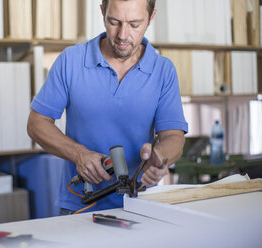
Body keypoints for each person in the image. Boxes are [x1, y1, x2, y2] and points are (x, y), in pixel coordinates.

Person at [27, 0, 188, 214]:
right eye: (114, 22)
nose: (122, 35)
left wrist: (159, 157)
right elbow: (37, 124)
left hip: (142, 206)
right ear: (102, 12)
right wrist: (79, 154)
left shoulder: (163, 70)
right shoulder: (71, 61)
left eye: (134, 24)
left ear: (151, 18)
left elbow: (174, 137)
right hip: (80, 205)